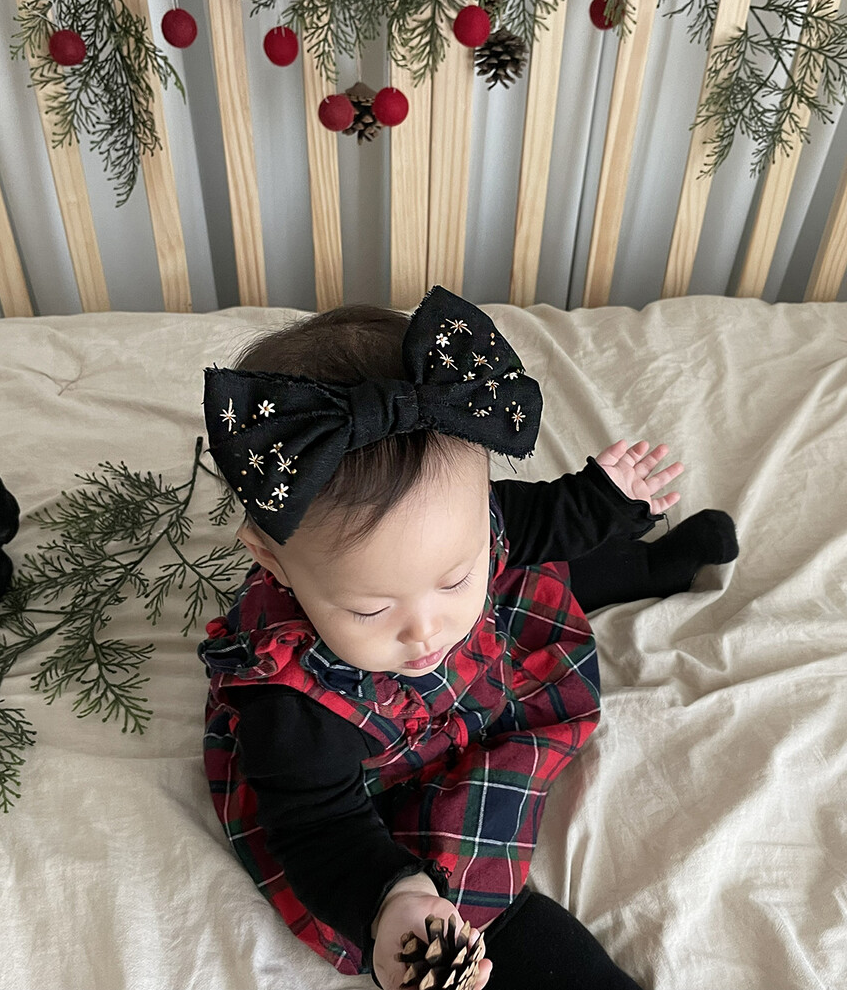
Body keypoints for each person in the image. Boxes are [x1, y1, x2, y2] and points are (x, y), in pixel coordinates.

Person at [197, 287, 738, 990]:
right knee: (473, 890)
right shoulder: (293, 711)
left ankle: (646, 566)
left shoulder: (467, 531)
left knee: (530, 570)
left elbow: (530, 521)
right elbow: (316, 830)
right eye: (370, 609)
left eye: (450, 578)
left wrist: (601, 497)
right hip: (385, 772)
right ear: (271, 560)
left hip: (477, 660)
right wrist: (392, 898)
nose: (426, 629)